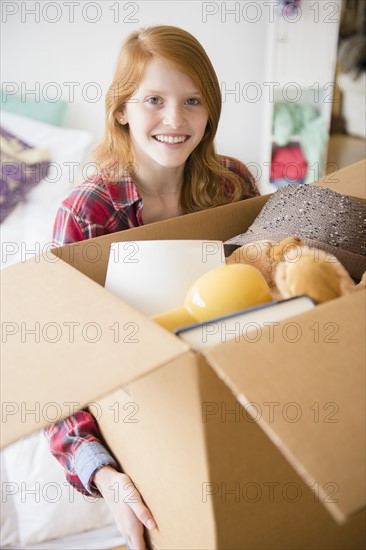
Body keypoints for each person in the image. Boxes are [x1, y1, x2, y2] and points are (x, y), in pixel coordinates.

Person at [46, 25, 259, 549]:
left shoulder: (233, 185)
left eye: (192, 100)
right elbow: (58, 367)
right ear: (121, 109)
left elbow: (265, 293)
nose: (175, 120)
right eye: (154, 101)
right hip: (136, 419)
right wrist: (106, 476)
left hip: (231, 396)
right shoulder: (88, 211)